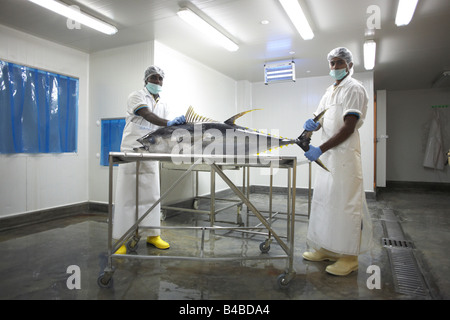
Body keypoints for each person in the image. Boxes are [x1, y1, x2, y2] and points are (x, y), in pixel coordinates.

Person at [302, 47, 372, 276]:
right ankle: (327, 248)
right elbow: (320, 118)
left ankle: (349, 257)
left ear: (350, 65)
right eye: (332, 63)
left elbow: (348, 127)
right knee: (325, 202)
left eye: (339, 62)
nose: (334, 67)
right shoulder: (329, 91)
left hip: (344, 157)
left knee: (345, 206)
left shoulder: (354, 88)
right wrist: (311, 127)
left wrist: (319, 149)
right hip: (329, 158)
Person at [113, 65, 186, 254]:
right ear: (146, 80)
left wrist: (177, 130)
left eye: (160, 79)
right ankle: (121, 239)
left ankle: (153, 235)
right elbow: (147, 115)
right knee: (127, 196)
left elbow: (163, 129)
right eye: (154, 78)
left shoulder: (163, 103)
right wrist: (168, 123)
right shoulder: (136, 96)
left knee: (152, 193)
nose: (157, 82)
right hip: (132, 149)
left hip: (152, 150)